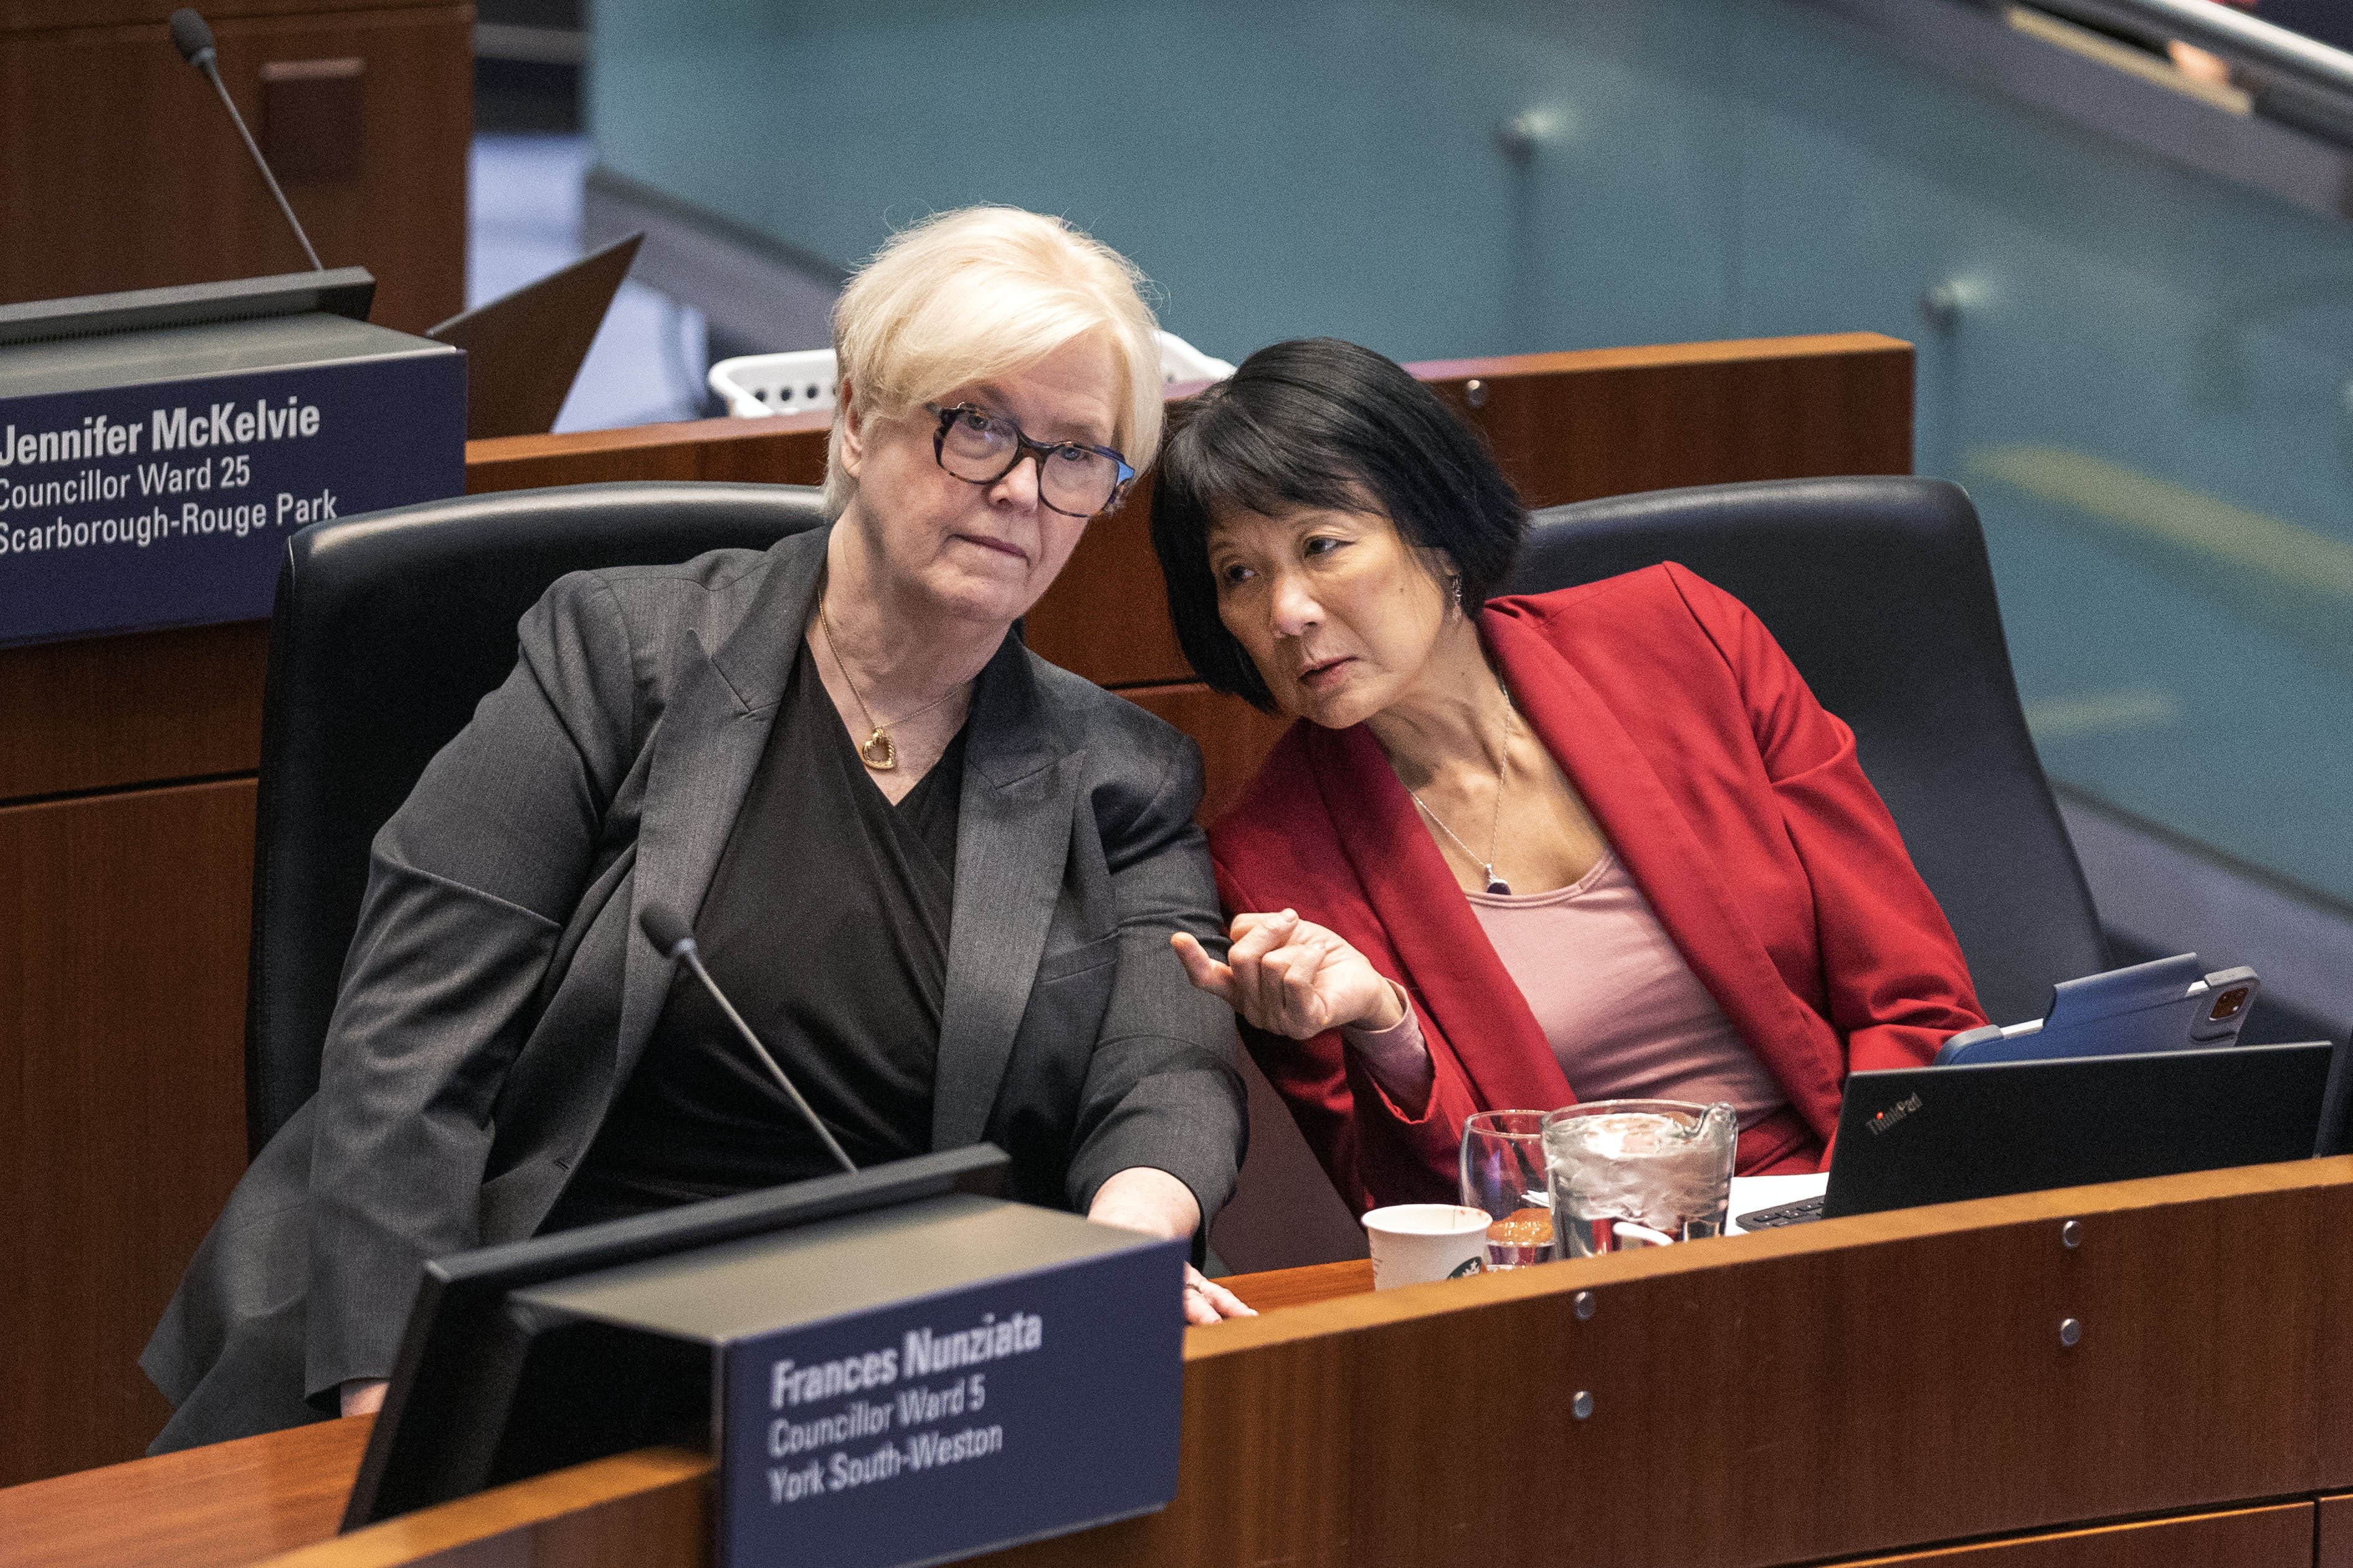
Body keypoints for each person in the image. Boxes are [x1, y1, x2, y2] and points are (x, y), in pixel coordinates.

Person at [143, 207, 1253, 1454]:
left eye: (1074, 456)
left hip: (878, 1381)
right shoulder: (616, 655)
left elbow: (1166, 1067)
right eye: (976, 424)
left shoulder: (1121, 774)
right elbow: (412, 1042)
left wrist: (1127, 1235)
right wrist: (395, 1414)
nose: (1018, 490)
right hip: (529, 1338)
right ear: (855, 416)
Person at [1149, 337, 1986, 1215]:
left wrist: (1854, 1207)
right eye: (1239, 574)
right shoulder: (1270, 869)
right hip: (1583, 1261)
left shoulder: (1684, 640)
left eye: (1321, 545)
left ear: (1436, 531)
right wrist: (1385, 1031)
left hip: (1850, 1192)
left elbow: (1913, 1001)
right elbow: (1419, 1220)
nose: (1285, 611)